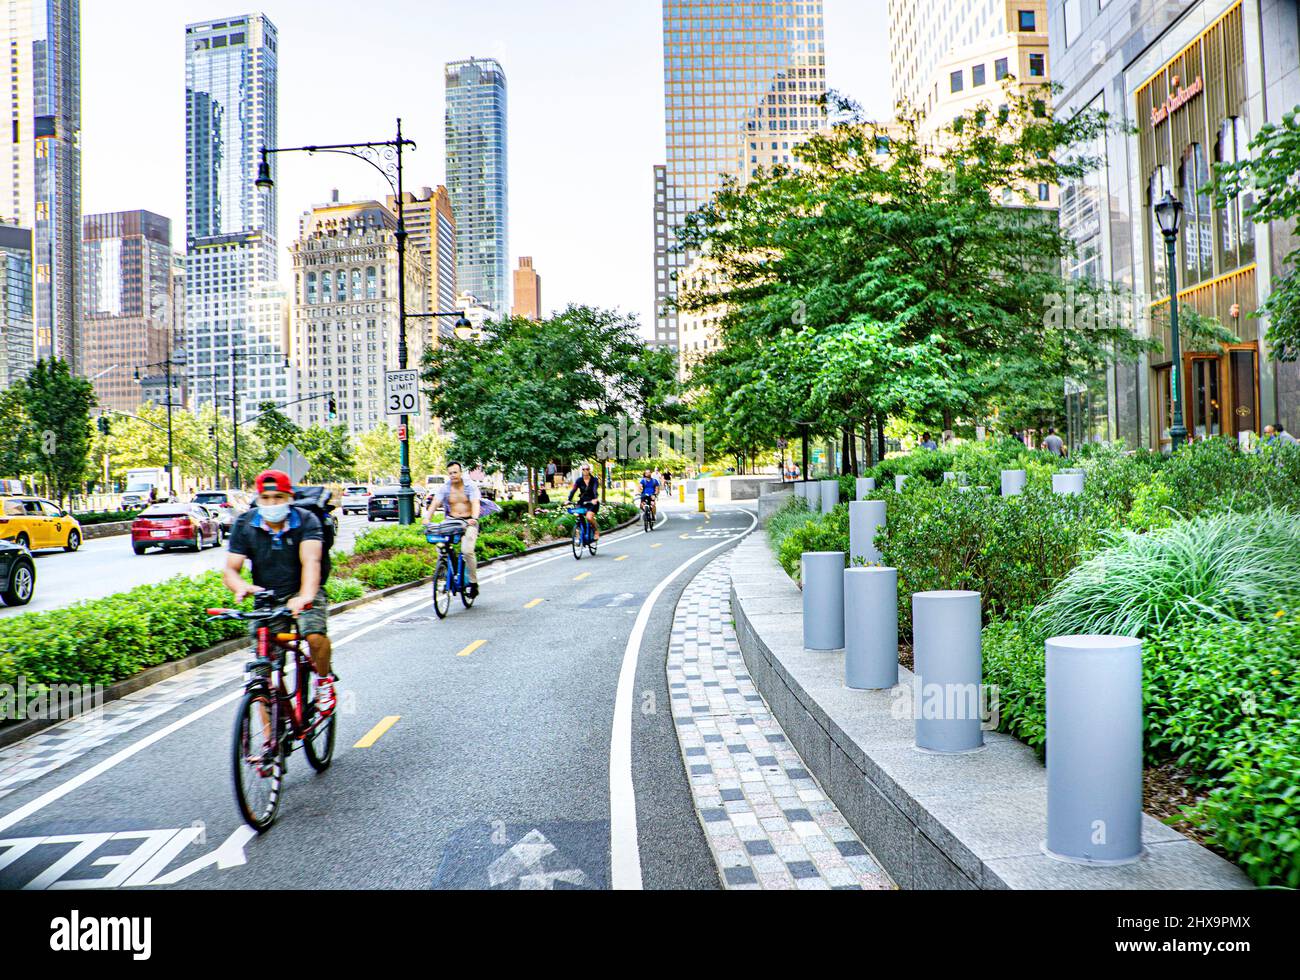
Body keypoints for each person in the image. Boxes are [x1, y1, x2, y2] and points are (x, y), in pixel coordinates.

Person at [224, 470, 336, 714]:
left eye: (278, 497)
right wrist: (240, 586)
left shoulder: (307, 520)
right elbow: (231, 570)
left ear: (290, 497)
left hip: (305, 589)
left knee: (314, 635)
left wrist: (304, 597)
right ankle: (268, 743)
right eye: (266, 498)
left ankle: (324, 681)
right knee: (261, 673)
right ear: (258, 498)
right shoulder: (245, 523)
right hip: (267, 596)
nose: (272, 503)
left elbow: (311, 562)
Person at [423, 461, 485, 598]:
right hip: (452, 521)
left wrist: (474, 517)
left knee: (467, 551)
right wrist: (427, 518)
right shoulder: (445, 488)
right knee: (440, 545)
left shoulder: (470, 486)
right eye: (450, 473)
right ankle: (447, 568)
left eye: (455, 472)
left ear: (461, 473)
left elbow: (475, 503)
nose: (453, 475)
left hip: (469, 521)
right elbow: (435, 503)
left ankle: (473, 583)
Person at [568, 462, 602, 542]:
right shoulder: (579, 480)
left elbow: (594, 490)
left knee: (589, 517)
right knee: (577, 514)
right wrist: (568, 500)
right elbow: (573, 490)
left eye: (587, 469)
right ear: (582, 471)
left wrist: (595, 498)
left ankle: (596, 531)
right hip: (582, 502)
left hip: (592, 502)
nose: (585, 471)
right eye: (583, 469)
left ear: (589, 470)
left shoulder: (594, 480)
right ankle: (580, 534)